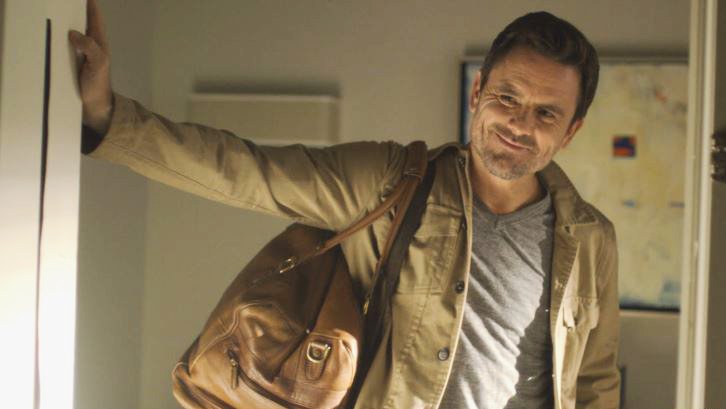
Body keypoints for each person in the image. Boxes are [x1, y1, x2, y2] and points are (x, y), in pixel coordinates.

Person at [69, 1, 620, 408]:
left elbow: (594, 381)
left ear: (570, 131)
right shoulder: (393, 182)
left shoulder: (591, 239)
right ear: (478, 94)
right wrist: (107, 117)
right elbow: (245, 171)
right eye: (507, 97)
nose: (520, 124)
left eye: (546, 113)